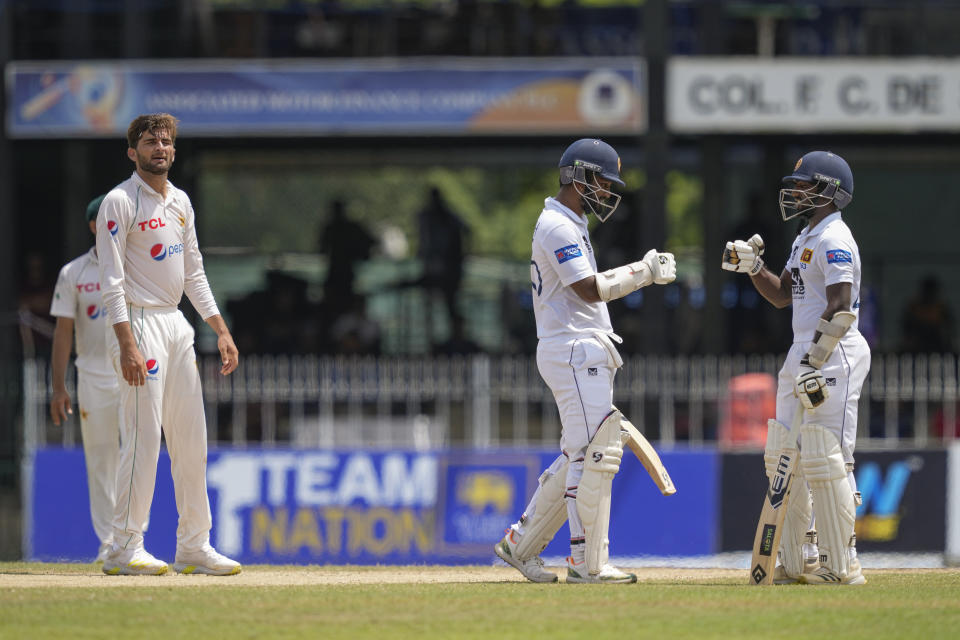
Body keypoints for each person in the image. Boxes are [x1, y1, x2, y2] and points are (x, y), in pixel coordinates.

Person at [494, 138, 676, 584]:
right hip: (573, 350)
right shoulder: (557, 225)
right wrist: (645, 272)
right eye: (601, 181)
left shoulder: (569, 222)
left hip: (576, 348)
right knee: (596, 454)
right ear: (577, 176)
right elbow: (588, 289)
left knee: (581, 453)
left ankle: (520, 542)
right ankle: (587, 564)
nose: (608, 192)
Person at [95, 113, 241, 576]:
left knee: (190, 439)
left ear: (174, 150)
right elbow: (111, 282)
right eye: (149, 141)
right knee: (142, 439)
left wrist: (220, 329)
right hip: (137, 321)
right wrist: (127, 344)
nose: (160, 147)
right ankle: (124, 545)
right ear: (132, 151)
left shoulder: (180, 201)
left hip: (176, 325)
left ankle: (194, 545)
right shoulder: (119, 201)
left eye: (166, 141)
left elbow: (194, 272)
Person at [721, 150, 870, 585]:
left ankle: (843, 564)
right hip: (801, 350)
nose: (795, 191)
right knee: (784, 452)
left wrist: (816, 358)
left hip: (833, 351)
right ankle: (796, 557)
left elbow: (841, 309)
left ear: (829, 192)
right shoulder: (805, 237)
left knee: (828, 456)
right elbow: (783, 294)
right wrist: (753, 267)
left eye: (804, 185)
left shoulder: (835, 238)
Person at [48, 194, 120, 563]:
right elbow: (63, 332)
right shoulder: (73, 273)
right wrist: (59, 387)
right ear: (94, 226)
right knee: (101, 459)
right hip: (92, 377)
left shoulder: (136, 265)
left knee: (138, 456)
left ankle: (132, 538)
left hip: (135, 376)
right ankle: (110, 542)